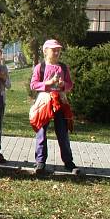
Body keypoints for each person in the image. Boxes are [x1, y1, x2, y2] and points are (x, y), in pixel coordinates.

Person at [30, 39, 80, 176]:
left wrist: (63, 84)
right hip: (45, 102)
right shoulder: (40, 67)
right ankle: (40, 161)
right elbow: (33, 85)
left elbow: (70, 84)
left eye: (58, 50)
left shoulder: (63, 67)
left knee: (63, 132)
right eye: (54, 50)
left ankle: (68, 162)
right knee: (41, 131)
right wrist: (48, 83)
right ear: (45, 51)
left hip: (60, 102)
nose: (57, 52)